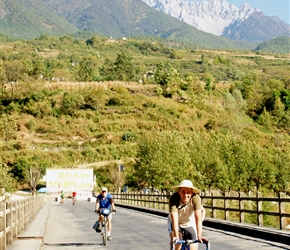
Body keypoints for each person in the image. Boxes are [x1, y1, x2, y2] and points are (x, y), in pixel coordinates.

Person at [168, 180, 206, 250]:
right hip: (176, 223)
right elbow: (174, 220)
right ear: (179, 191)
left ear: (192, 193)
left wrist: (199, 235)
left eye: (188, 192)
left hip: (189, 223)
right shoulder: (174, 198)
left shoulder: (196, 198)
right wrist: (175, 236)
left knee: (194, 246)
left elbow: (198, 218)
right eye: (183, 192)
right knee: (177, 243)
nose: (186, 195)